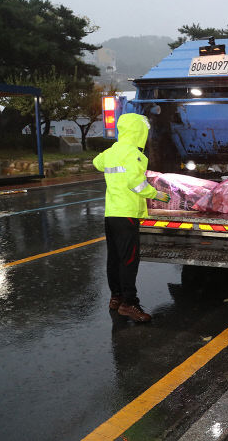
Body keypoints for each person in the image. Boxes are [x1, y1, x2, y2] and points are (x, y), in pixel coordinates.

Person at [93, 112, 170, 323]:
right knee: (129, 260)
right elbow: (136, 185)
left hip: (111, 213)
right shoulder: (136, 155)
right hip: (127, 214)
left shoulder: (112, 151)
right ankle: (129, 304)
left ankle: (116, 298)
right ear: (138, 132)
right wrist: (158, 195)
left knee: (114, 258)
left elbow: (96, 162)